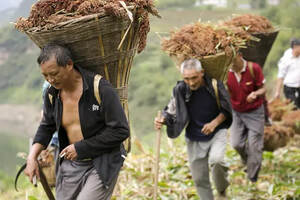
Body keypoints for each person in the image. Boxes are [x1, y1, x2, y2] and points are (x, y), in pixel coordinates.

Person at [24, 43, 130, 200]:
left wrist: (81, 148)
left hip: (101, 163)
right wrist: (32, 157)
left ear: (69, 65)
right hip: (70, 164)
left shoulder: (100, 88)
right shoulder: (52, 94)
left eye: (54, 74)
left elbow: (120, 130)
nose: (50, 80)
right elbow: (47, 126)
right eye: (45, 76)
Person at [154, 59, 232, 200]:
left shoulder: (215, 85)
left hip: (217, 132)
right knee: (199, 179)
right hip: (194, 137)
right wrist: (163, 119)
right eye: (187, 79)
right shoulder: (180, 89)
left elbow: (227, 109)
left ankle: (222, 190)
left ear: (202, 73)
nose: (191, 82)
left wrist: (214, 123)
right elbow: (170, 110)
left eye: (194, 77)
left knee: (217, 160)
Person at [227, 51, 266, 183]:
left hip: (255, 112)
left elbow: (263, 89)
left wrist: (255, 93)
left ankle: (252, 178)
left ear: (239, 55)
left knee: (254, 146)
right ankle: (247, 159)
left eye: (232, 60)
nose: (230, 64)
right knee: (236, 143)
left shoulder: (253, 68)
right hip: (237, 113)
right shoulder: (226, 73)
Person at [274, 38, 300, 109]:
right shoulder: (286, 59)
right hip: (289, 87)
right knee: (293, 108)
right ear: (295, 47)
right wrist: (277, 92)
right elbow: (280, 75)